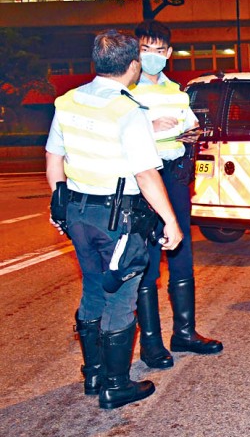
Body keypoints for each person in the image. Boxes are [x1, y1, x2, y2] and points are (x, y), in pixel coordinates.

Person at [45, 30, 184, 409]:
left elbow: (54, 158)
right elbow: (145, 173)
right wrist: (170, 222)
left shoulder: (68, 101)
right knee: (122, 293)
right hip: (117, 218)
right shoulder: (128, 110)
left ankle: (92, 374)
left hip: (78, 213)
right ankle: (116, 384)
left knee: (93, 287)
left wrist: (61, 205)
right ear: (133, 65)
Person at [130, 20, 223, 368]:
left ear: (168, 53)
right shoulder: (127, 90)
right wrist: (148, 128)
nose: (152, 56)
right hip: (143, 178)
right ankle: (151, 344)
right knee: (149, 257)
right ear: (135, 52)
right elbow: (120, 132)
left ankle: (185, 333)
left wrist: (193, 133)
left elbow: (188, 125)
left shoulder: (176, 90)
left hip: (175, 174)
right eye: (145, 49)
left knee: (181, 251)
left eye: (158, 50)